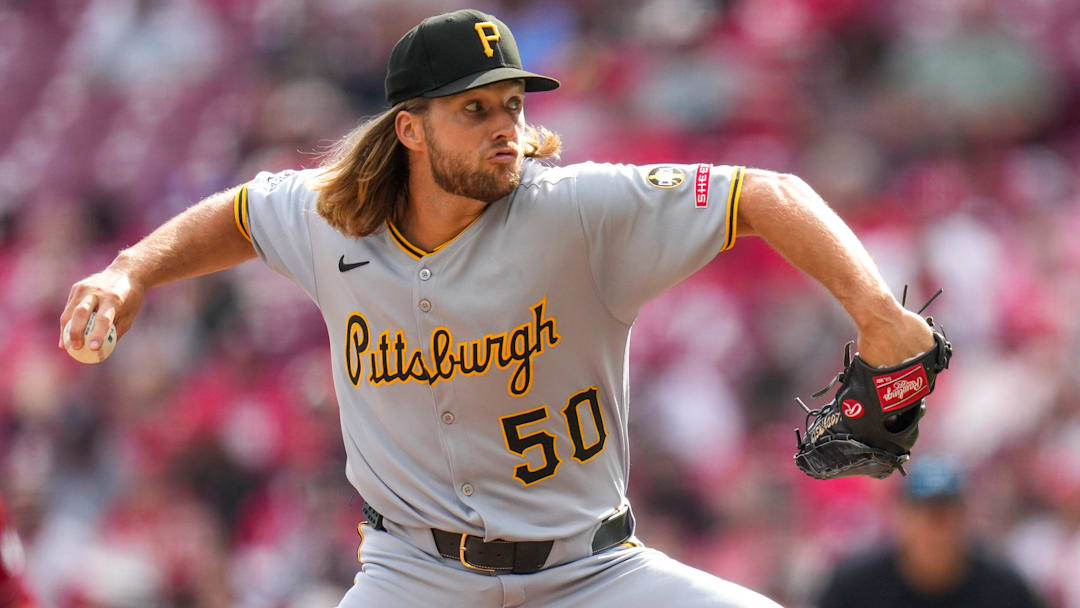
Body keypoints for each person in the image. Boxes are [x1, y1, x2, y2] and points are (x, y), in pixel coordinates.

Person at [60, 9, 935, 607]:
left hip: (592, 573)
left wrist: (877, 316)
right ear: (409, 128)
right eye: (474, 109)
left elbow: (765, 193)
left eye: (512, 105)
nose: (504, 128)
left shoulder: (576, 212)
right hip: (413, 576)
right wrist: (130, 272)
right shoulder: (331, 217)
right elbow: (242, 213)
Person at [815, 458, 1045, 608]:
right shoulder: (854, 587)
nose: (934, 530)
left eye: (945, 515)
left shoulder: (1005, 590)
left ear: (965, 518)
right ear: (901, 517)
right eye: (924, 515)